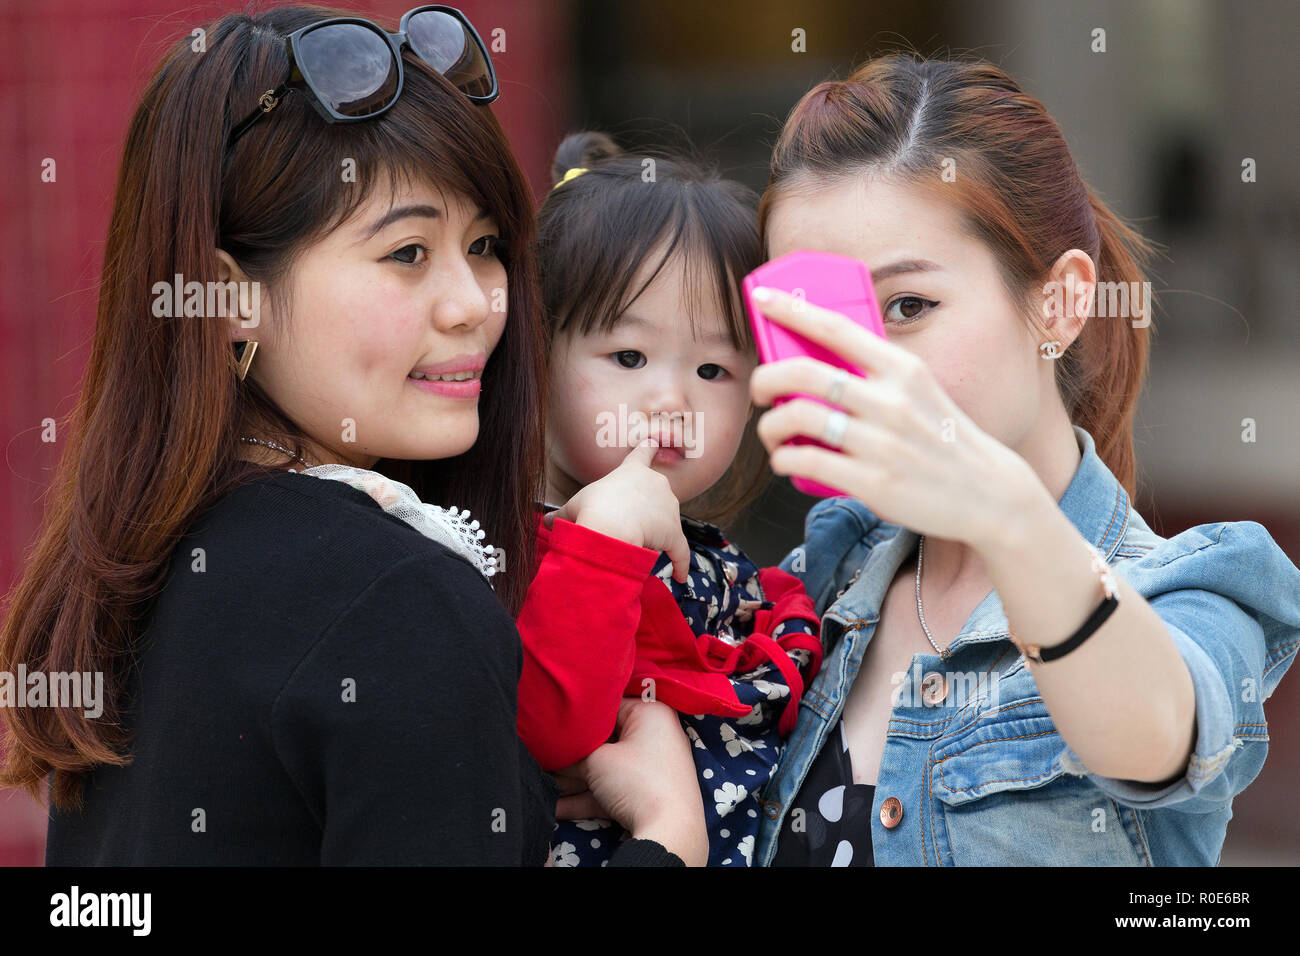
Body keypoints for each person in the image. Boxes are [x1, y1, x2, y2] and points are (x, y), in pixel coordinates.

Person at [0, 4, 705, 866]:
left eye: (485, 245)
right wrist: (668, 840)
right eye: (407, 252)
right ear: (231, 297)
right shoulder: (398, 600)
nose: (476, 303)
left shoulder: (135, 570)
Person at [741, 53, 1300, 866]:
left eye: (907, 306)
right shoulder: (817, 587)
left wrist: (1005, 513)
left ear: (1063, 300)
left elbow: (1154, 733)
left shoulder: (1188, 591)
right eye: (821, 321)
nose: (871, 367)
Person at [512, 133, 823, 867]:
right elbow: (555, 729)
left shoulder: (738, 578)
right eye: (628, 357)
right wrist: (607, 542)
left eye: (714, 368)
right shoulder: (516, 555)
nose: (670, 398)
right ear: (535, 350)